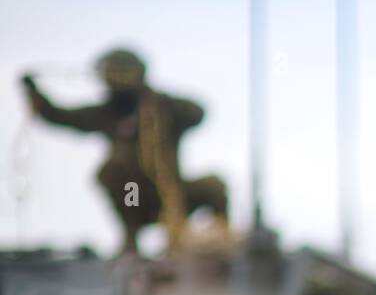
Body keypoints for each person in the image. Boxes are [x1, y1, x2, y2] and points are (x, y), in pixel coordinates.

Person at [20, 47, 229, 253]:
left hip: (172, 195)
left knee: (214, 186)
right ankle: (131, 235)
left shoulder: (164, 108)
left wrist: (157, 101)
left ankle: (221, 240)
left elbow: (198, 112)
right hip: (136, 197)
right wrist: (32, 91)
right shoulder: (108, 113)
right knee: (115, 172)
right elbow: (58, 116)